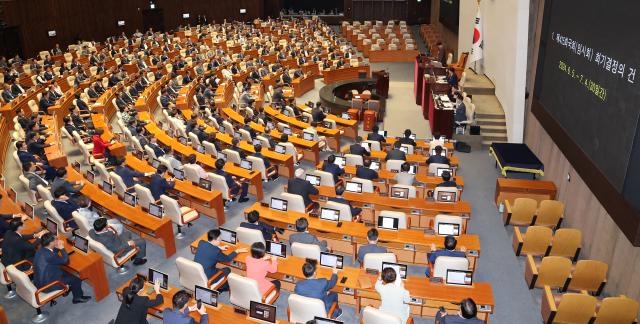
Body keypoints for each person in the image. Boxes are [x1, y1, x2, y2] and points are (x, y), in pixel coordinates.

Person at [33, 233, 90, 303]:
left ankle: (67, 289)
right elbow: (66, 261)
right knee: (76, 279)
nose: (58, 240)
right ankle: (77, 298)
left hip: (42, 280)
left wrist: (56, 248)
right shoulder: (49, 255)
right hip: (48, 285)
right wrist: (62, 248)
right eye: (56, 239)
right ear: (51, 243)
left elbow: (53, 255)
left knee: (68, 273)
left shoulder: (41, 250)